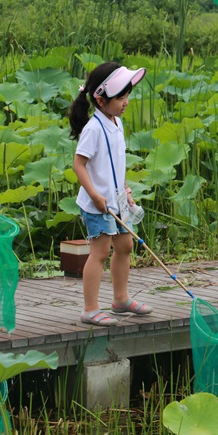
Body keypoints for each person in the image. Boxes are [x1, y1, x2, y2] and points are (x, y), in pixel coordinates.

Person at [69, 62, 152, 326]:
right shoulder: (93, 129)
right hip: (98, 203)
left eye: (127, 95)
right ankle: (90, 309)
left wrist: (126, 190)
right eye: (120, 97)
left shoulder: (117, 123)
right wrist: (94, 195)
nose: (126, 102)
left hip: (116, 199)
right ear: (101, 100)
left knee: (126, 246)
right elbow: (79, 165)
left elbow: (117, 163)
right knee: (100, 252)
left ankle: (120, 299)